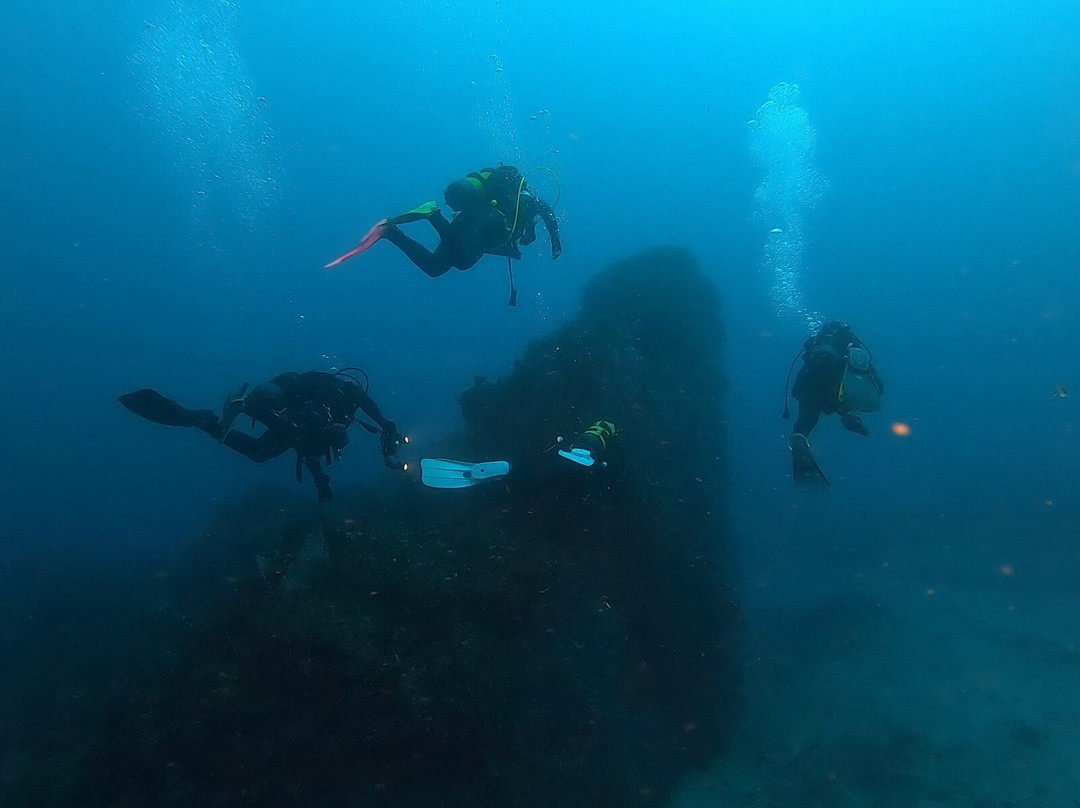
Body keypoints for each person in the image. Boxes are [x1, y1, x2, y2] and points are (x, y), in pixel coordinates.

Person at [119, 369, 404, 503]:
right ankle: (238, 409)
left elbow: (307, 450)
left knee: (259, 452)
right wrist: (383, 421)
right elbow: (361, 400)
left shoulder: (325, 421)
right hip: (288, 399)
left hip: (285, 403)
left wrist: (320, 481)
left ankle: (206, 421)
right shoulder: (345, 398)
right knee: (272, 435)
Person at [326, 166, 561, 300]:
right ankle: (433, 215)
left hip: (469, 219)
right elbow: (546, 209)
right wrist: (556, 242)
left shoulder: (512, 207)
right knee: (463, 261)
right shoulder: (526, 204)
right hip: (483, 222)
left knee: (435, 267)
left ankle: (390, 231)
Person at [782, 321, 884, 489]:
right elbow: (870, 377)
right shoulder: (851, 345)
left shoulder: (816, 342)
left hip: (810, 384)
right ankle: (848, 414)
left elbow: (804, 360)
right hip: (835, 389)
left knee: (807, 417)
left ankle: (799, 435)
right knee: (841, 400)